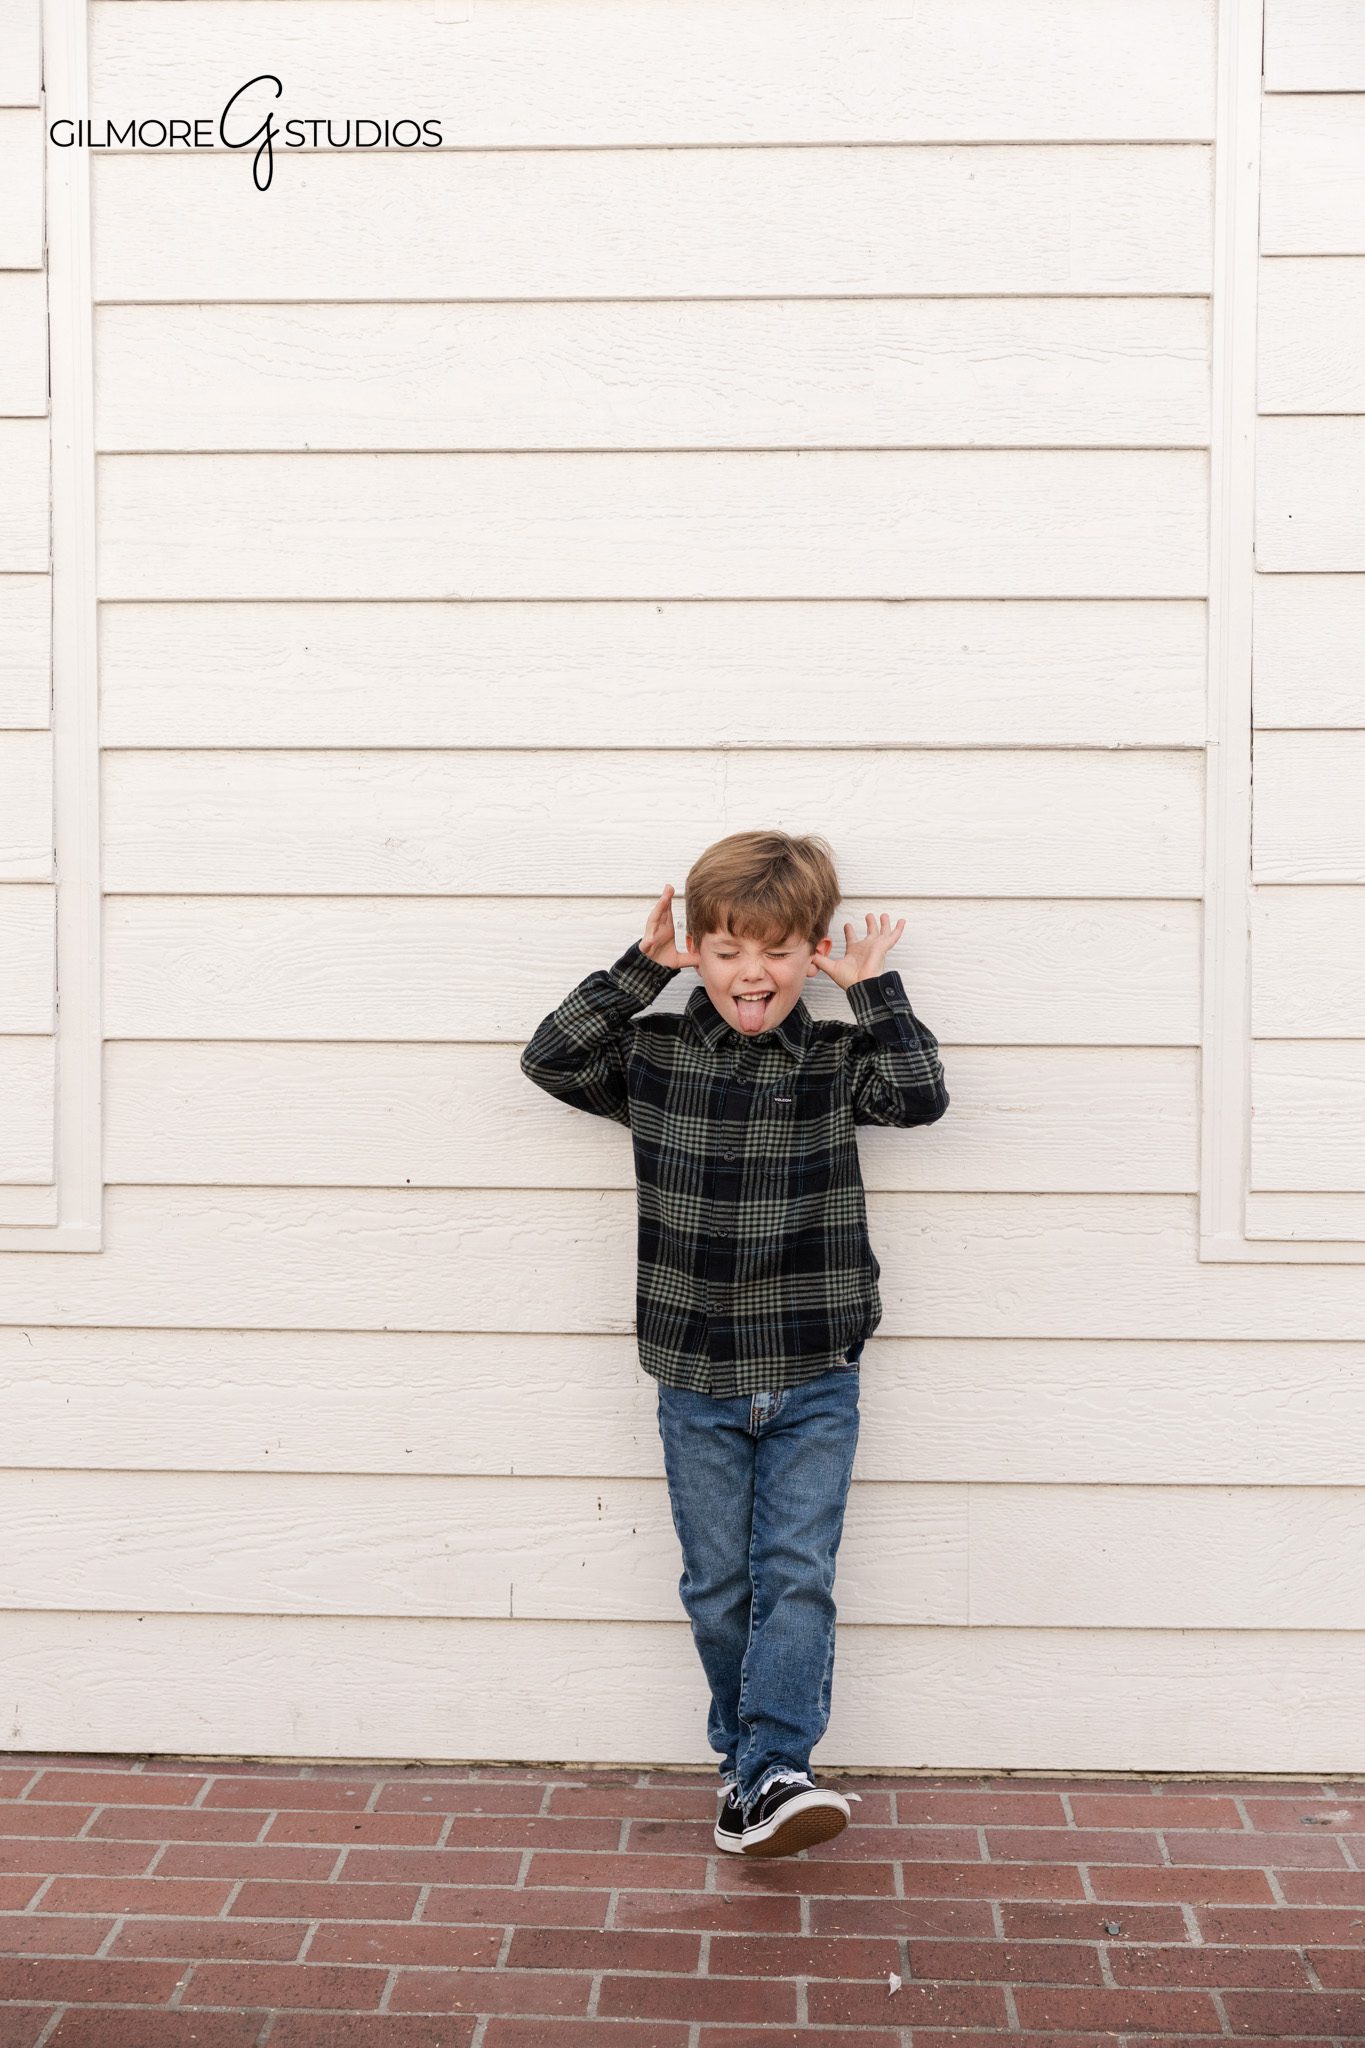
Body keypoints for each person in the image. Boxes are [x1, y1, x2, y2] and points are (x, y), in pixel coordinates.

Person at [519, 830, 949, 1857]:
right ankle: (747, 1771)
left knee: (794, 1570)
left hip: (814, 1368)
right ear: (698, 952)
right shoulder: (654, 1054)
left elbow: (922, 1096)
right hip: (696, 1372)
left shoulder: (838, 1058)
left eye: (778, 951)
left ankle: (774, 1769)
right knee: (719, 1583)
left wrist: (874, 991)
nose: (751, 973)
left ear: (811, 953)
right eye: (724, 950)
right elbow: (549, 1057)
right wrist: (641, 968)